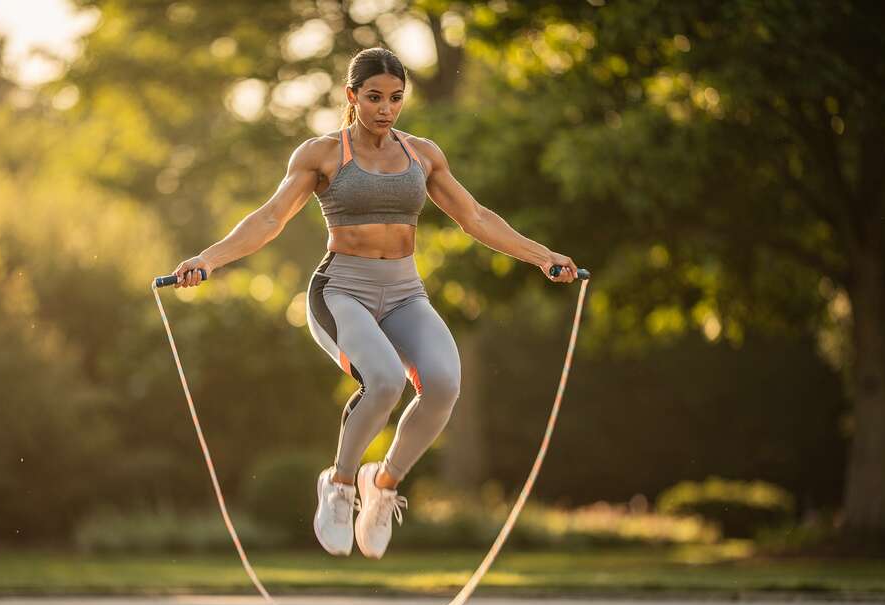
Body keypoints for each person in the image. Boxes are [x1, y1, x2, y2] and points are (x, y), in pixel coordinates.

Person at [168, 47, 579, 559]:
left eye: (396, 98)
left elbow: (475, 216)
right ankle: (338, 486)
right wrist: (207, 259)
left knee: (445, 384)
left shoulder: (422, 155)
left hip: (405, 292)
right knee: (383, 380)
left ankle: (381, 486)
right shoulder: (321, 155)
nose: (386, 108)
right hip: (341, 291)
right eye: (375, 97)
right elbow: (270, 218)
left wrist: (541, 256)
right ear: (352, 96)